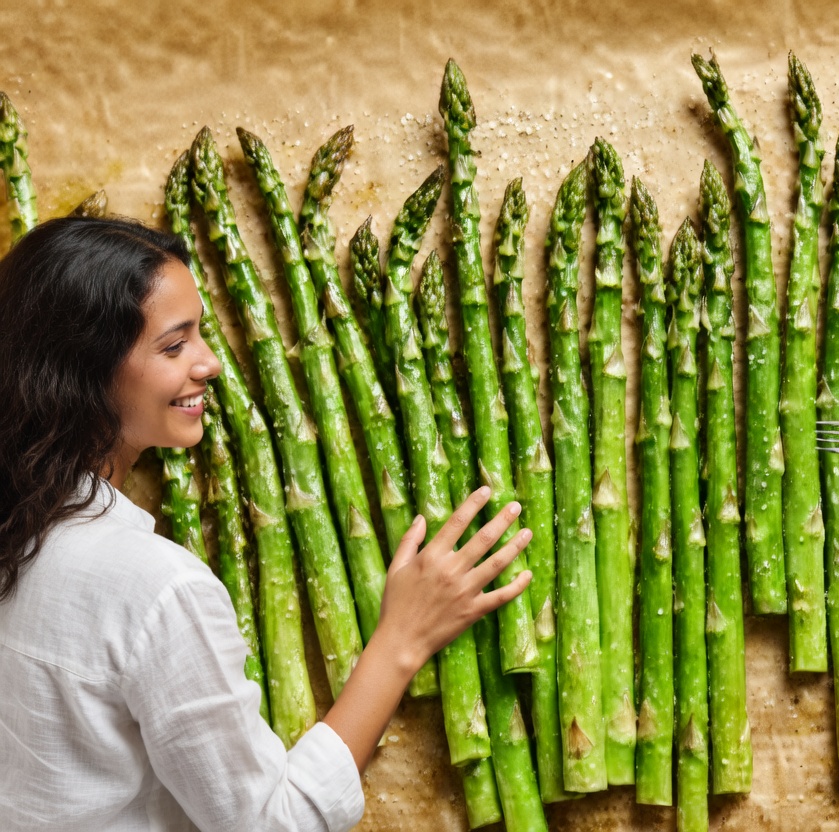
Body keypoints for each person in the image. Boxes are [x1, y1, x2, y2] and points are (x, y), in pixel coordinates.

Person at [0, 216, 532, 830]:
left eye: (201, 335)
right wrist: (401, 639)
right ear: (83, 373)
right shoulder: (156, 588)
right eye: (174, 346)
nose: (210, 364)